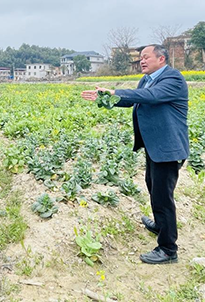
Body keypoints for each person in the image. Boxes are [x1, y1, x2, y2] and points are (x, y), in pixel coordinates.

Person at [81, 44, 189, 265]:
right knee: (152, 186)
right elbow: (135, 99)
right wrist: (106, 97)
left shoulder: (173, 79)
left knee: (163, 197)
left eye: (146, 57)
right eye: (140, 57)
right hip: (155, 146)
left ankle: (168, 249)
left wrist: (115, 92)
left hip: (168, 148)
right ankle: (160, 225)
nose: (142, 61)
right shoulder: (147, 79)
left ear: (161, 59)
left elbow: (150, 96)